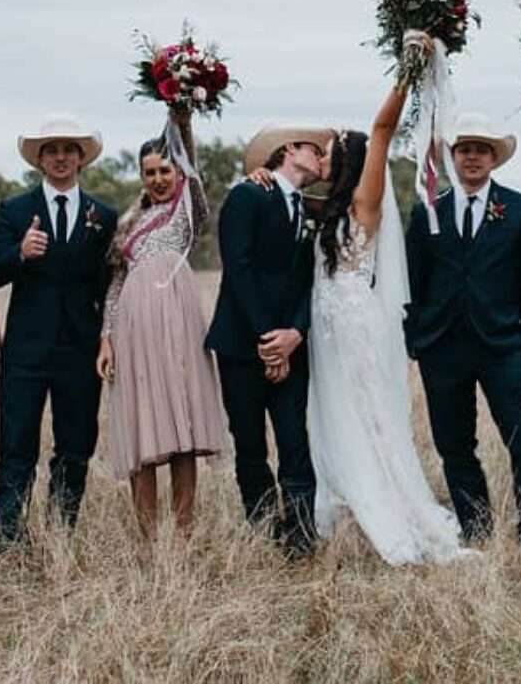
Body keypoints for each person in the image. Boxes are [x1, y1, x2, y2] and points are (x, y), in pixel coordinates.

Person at [302, 46, 474, 564]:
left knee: (368, 416)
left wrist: (408, 70)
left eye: (330, 151)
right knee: (333, 418)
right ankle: (350, 506)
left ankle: (392, 510)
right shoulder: (328, 207)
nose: (322, 157)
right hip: (325, 324)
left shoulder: (364, 201)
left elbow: (380, 131)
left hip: (353, 323)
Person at [404, 111, 521, 551]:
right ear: (453, 157)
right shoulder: (427, 210)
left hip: (503, 345)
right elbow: (414, 280)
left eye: (481, 150)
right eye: (465, 149)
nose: (472, 157)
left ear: (494, 158)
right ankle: (477, 530)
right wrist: (416, 340)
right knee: (454, 445)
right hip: (441, 346)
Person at [0, 114, 119, 546]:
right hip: (26, 348)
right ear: (39, 160)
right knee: (17, 443)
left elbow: (109, 284)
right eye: (51, 150)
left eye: (68, 150)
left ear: (81, 159)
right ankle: (8, 534)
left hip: (80, 349)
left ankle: (62, 530)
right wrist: (19, 253)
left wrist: (107, 337)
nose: (60, 157)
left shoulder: (105, 215)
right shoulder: (15, 210)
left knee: (76, 444)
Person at [96, 110, 226, 542]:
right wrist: (107, 338)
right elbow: (115, 283)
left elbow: (191, 163)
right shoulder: (128, 223)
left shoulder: (186, 211)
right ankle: (148, 536)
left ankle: (184, 531)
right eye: (149, 172)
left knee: (182, 425)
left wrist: (181, 118)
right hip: (135, 327)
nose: (157, 178)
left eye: (164, 170)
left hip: (178, 323)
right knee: (142, 426)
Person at [206, 120, 331, 559]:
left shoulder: (313, 210)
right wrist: (267, 340)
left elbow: (309, 282)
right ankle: (262, 528)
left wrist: (294, 334)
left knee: (295, 441)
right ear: (291, 149)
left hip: (293, 346)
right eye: (316, 150)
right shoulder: (246, 196)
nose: (322, 158)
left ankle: (300, 536)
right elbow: (238, 270)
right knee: (250, 442)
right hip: (242, 345)